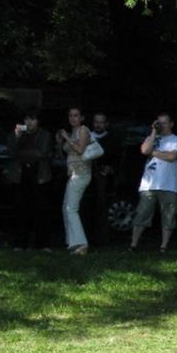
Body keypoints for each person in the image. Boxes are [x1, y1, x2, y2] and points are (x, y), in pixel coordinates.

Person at [129, 113, 177, 253]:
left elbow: (172, 156)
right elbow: (144, 150)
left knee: (168, 216)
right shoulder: (152, 138)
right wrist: (154, 131)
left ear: (171, 124)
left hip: (168, 184)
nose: (162, 126)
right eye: (159, 123)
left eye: (164, 123)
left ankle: (163, 246)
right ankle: (133, 244)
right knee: (142, 214)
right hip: (149, 185)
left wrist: (153, 152)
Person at [7, 108, 53, 250]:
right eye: (27, 119)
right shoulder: (17, 134)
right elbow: (11, 153)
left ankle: (42, 244)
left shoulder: (45, 134)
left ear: (38, 121)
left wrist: (22, 154)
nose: (29, 122)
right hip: (21, 175)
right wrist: (16, 137)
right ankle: (20, 243)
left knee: (41, 210)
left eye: (32, 119)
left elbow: (42, 153)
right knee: (21, 209)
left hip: (39, 175)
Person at [56, 106, 92, 255]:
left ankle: (81, 243)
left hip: (82, 173)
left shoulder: (83, 130)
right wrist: (60, 142)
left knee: (71, 208)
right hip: (72, 174)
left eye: (76, 115)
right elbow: (63, 154)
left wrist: (66, 138)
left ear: (82, 118)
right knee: (66, 208)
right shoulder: (71, 132)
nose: (73, 118)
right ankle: (72, 242)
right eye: (70, 116)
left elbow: (80, 150)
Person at [87, 112, 119, 246]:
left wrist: (110, 169)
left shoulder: (112, 139)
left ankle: (102, 240)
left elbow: (115, 159)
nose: (98, 125)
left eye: (101, 122)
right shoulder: (87, 137)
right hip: (87, 176)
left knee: (102, 208)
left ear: (106, 124)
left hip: (102, 179)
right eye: (96, 122)